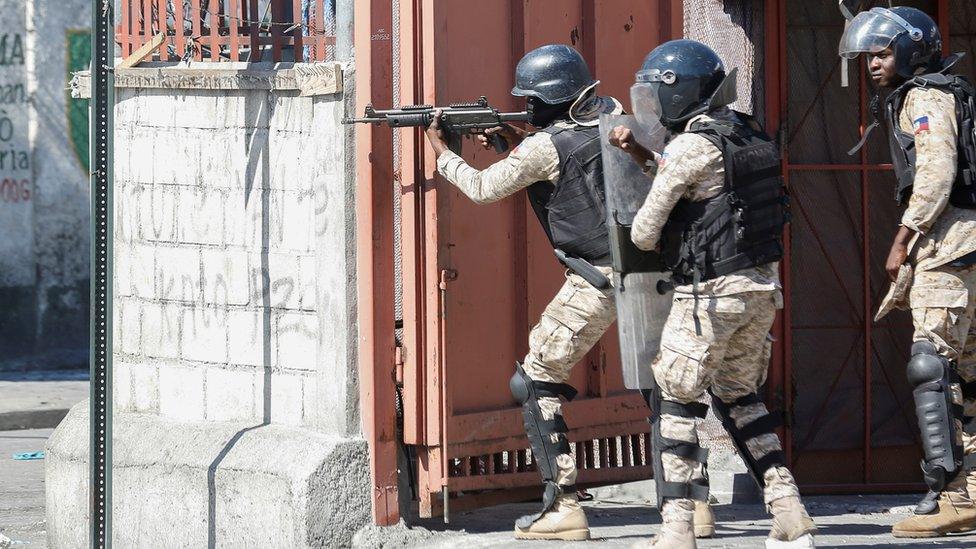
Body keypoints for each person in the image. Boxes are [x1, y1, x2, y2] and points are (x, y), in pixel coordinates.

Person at [423, 43, 716, 541]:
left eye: (532, 101)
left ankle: (562, 506)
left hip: (596, 279)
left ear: (551, 100)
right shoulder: (623, 121)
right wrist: (514, 139)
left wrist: (441, 151)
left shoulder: (544, 146)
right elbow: (587, 168)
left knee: (536, 379)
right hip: (657, 273)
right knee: (665, 386)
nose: (528, 109)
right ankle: (693, 506)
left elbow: (483, 188)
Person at [609, 39, 817, 548]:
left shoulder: (687, 146)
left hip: (708, 296)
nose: (654, 106)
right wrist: (644, 155)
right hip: (761, 288)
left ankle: (678, 528)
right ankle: (789, 510)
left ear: (681, 92)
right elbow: (709, 188)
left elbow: (644, 231)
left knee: (676, 400)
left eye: (658, 95)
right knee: (741, 398)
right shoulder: (744, 131)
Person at [839, 5, 976, 538]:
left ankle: (949, 491)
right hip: (967, 243)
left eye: (883, 52)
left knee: (931, 365)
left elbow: (938, 174)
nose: (873, 63)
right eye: (868, 55)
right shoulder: (952, 92)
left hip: (948, 243)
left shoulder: (923, 97)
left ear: (912, 49)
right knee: (967, 371)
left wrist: (903, 238)